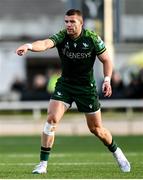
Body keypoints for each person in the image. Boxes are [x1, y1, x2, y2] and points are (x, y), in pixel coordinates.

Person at [16, 9, 131, 174]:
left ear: (81, 23)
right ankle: (43, 164)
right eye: (66, 22)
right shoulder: (62, 36)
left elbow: (106, 60)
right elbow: (45, 43)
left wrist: (107, 79)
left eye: (72, 22)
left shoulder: (92, 38)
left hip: (86, 88)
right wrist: (28, 46)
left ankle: (117, 152)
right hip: (66, 85)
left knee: (96, 129)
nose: (68, 25)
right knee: (51, 119)